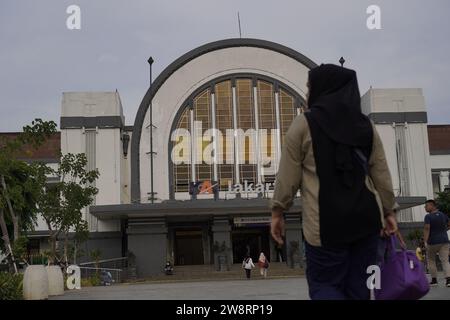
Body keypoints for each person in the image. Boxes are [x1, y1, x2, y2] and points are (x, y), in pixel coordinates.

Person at [270, 64, 399, 300]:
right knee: (359, 290)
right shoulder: (366, 126)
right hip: (366, 224)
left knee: (325, 286)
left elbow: (287, 176)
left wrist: (278, 210)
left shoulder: (303, 124)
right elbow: (381, 173)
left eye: (310, 88)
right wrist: (389, 211)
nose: (308, 94)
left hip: (325, 226)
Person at [423, 199, 450, 287]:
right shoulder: (443, 215)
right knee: (445, 260)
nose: (425, 207)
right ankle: (448, 280)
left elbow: (427, 228)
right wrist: (444, 230)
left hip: (432, 242)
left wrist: (425, 241)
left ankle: (434, 280)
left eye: (426, 206)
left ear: (432, 206)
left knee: (431, 260)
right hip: (444, 241)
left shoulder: (428, 216)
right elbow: (449, 223)